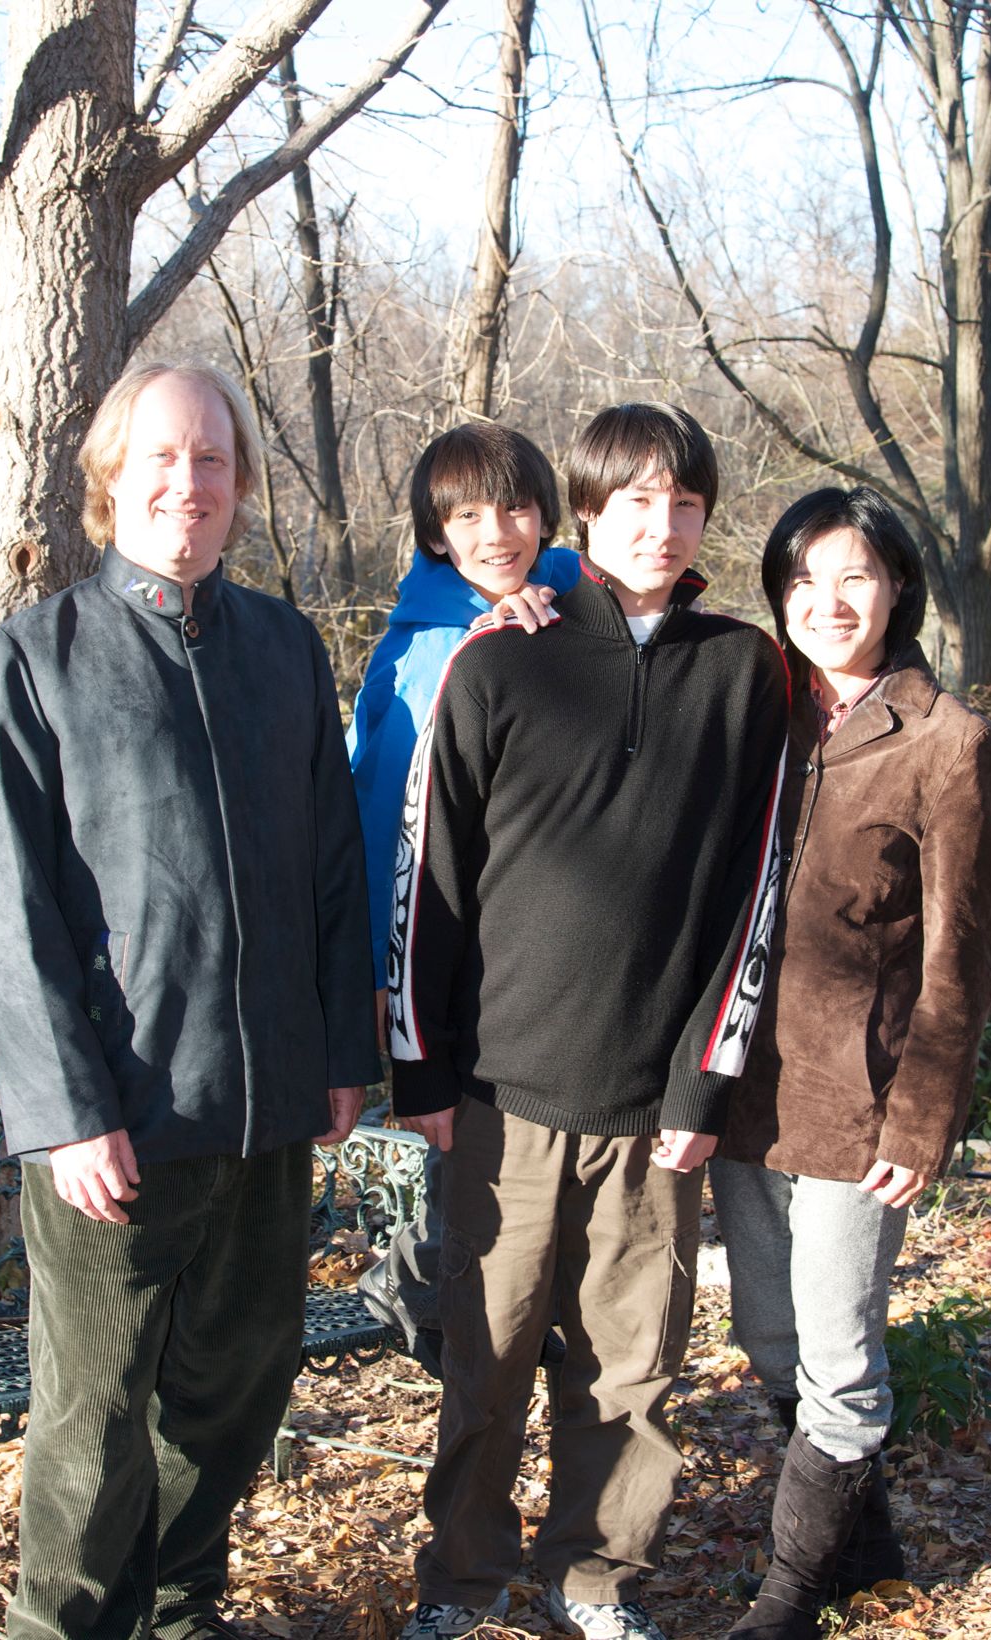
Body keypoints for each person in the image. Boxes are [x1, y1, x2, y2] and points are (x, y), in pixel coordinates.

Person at [0, 362, 380, 1640]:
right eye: (161, 455)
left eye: (211, 459)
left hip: (264, 1107)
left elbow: (330, 863)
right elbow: (14, 909)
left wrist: (340, 1052)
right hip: (118, 1122)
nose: (186, 483)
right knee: (92, 1424)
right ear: (111, 477)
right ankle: (70, 1625)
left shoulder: (284, 647)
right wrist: (68, 1112)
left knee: (235, 1388)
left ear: (239, 486)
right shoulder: (38, 657)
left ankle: (183, 1605)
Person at [387, 402, 790, 1640]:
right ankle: (461, 1583)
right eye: (631, 501)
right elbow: (431, 879)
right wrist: (425, 1072)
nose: (657, 524)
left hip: (648, 1108)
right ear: (586, 514)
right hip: (501, 1096)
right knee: (486, 1361)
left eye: (682, 502)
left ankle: (591, 1578)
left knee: (633, 1373)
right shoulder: (500, 659)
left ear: (707, 516)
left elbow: (753, 892)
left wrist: (699, 1089)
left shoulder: (744, 671)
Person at [710, 486, 991, 1640]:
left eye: (851, 576)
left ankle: (791, 1591)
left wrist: (922, 1117)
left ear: (895, 585)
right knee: (766, 1334)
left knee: (838, 1349)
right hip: (748, 1092)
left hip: (862, 1102)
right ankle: (866, 1542)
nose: (825, 601)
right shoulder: (764, 711)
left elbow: (960, 955)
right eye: (800, 580)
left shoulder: (949, 742)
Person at [348, 423, 579, 1370]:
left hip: (557, 968)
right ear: (435, 532)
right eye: (467, 514)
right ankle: (426, 1301)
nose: (497, 532)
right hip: (450, 971)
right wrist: (383, 980)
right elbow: (378, 826)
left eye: (516, 507)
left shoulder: (570, 603)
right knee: (469, 1182)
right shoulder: (415, 657)